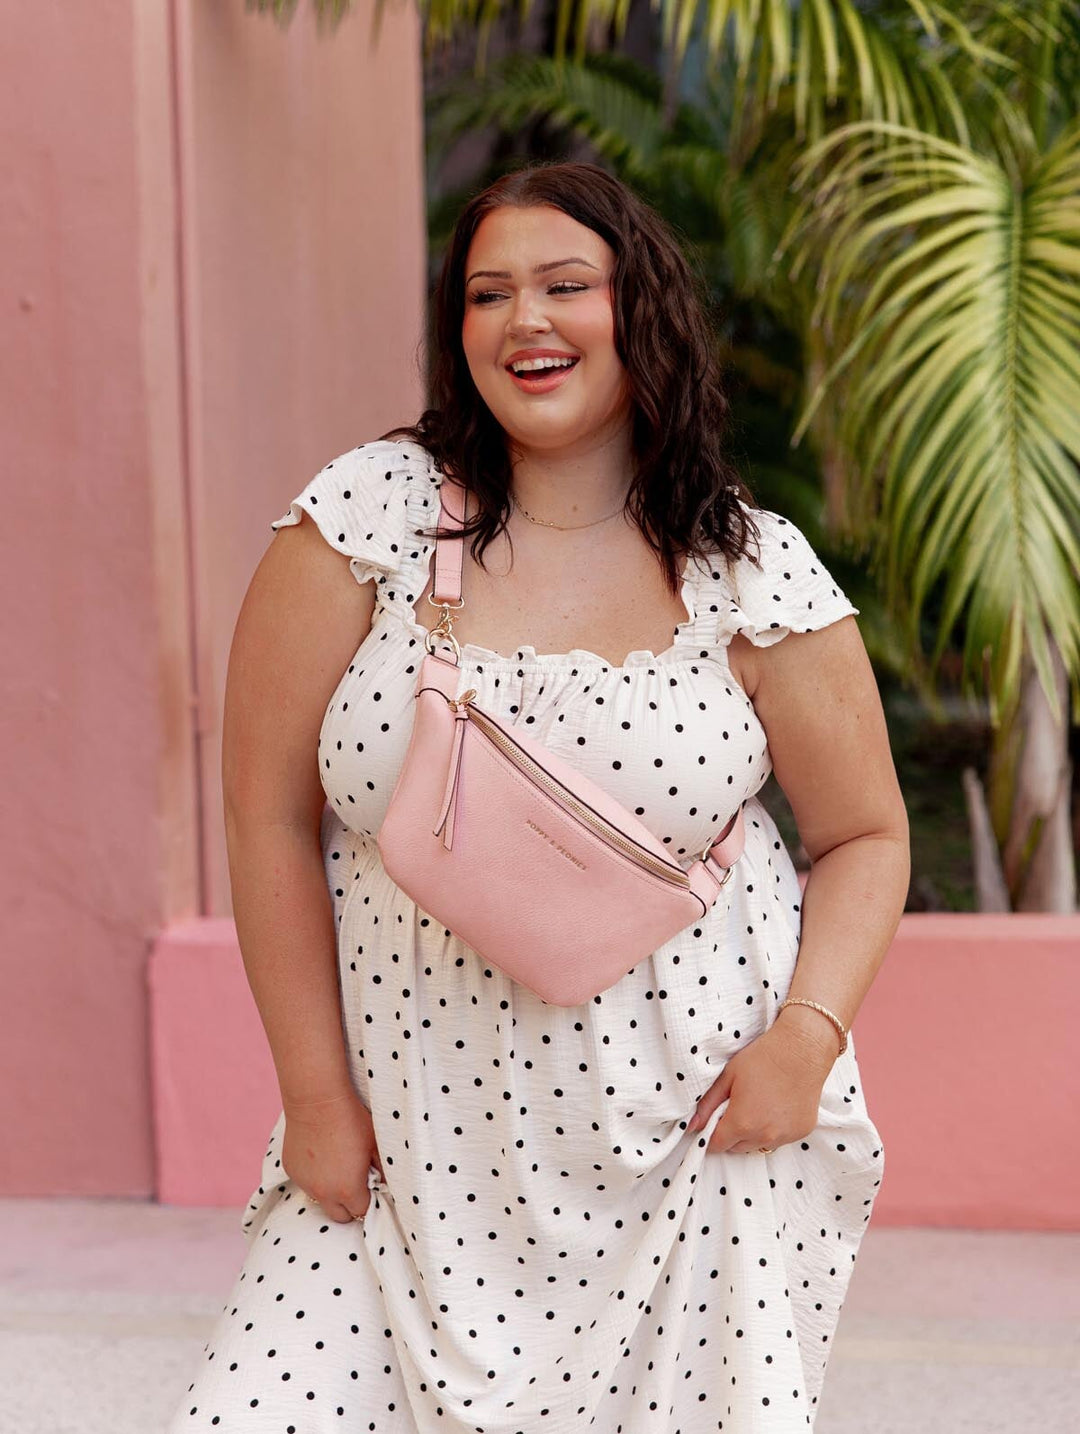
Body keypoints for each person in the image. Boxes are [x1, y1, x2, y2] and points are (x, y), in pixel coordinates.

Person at [168, 161, 909, 1433]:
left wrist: (807, 1038)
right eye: (487, 293)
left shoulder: (750, 568)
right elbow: (266, 815)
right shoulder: (365, 521)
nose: (525, 321)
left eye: (567, 285)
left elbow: (867, 835)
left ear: (644, 311)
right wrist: (311, 1091)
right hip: (401, 1138)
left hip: (692, 1135)